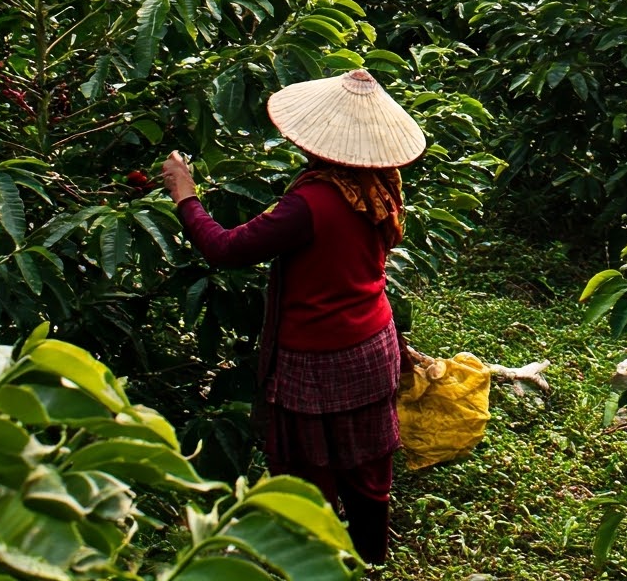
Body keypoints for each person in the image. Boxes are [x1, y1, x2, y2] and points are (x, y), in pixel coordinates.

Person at [160, 68, 428, 566]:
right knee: (367, 463)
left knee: (311, 466)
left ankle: (318, 562)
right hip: (374, 342)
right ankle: (371, 560)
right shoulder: (380, 186)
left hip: (319, 356)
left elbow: (225, 248)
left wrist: (185, 194)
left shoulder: (312, 201)